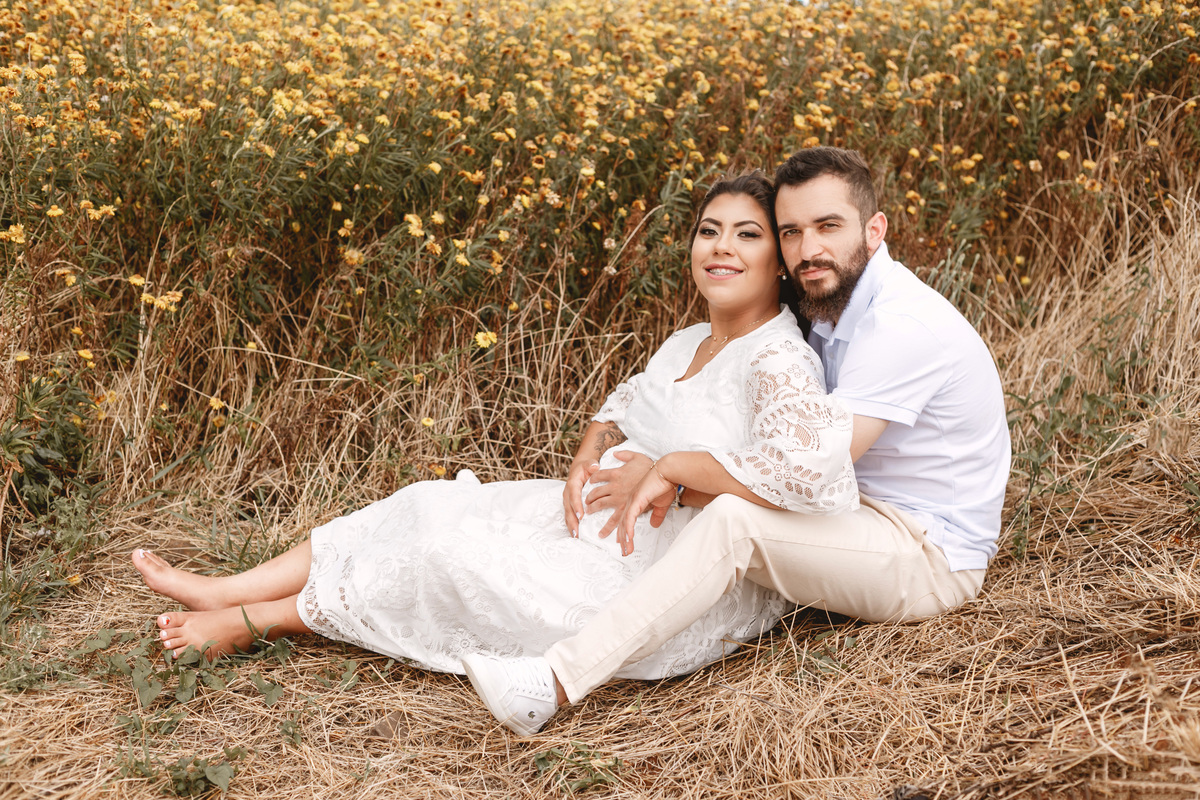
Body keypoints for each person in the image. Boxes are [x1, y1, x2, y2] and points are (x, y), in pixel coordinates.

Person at [131, 173, 859, 689]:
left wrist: (672, 470)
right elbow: (629, 398)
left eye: (748, 235)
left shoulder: (778, 360)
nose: (720, 249)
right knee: (429, 503)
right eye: (708, 231)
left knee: (451, 558)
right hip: (600, 522)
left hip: (665, 573)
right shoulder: (690, 337)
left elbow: (801, 480)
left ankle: (265, 620)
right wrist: (589, 451)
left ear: (780, 260)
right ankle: (229, 586)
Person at [462, 147, 1011, 736]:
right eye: (792, 232)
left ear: (874, 230)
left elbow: (810, 470)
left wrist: (672, 468)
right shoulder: (831, 302)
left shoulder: (901, 327)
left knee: (733, 520)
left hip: (928, 552)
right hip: (858, 515)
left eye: (829, 227)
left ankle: (551, 683)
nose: (808, 250)